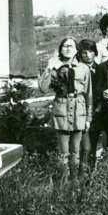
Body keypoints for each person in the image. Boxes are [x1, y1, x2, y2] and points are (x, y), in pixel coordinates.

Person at [39, 37, 93, 178]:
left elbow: (89, 95)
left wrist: (88, 117)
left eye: (71, 46)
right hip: (62, 110)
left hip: (78, 112)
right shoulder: (55, 67)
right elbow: (43, 88)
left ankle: (74, 185)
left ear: (76, 50)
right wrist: (50, 67)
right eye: (65, 46)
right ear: (60, 49)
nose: (68, 48)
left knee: (76, 151)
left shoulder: (84, 68)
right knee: (63, 153)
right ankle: (63, 187)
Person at [77, 39, 100, 169]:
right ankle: (84, 174)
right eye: (84, 52)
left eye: (90, 51)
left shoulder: (101, 68)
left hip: (99, 111)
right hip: (84, 112)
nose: (87, 55)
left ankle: (92, 172)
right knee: (85, 146)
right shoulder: (78, 70)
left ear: (95, 52)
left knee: (96, 145)